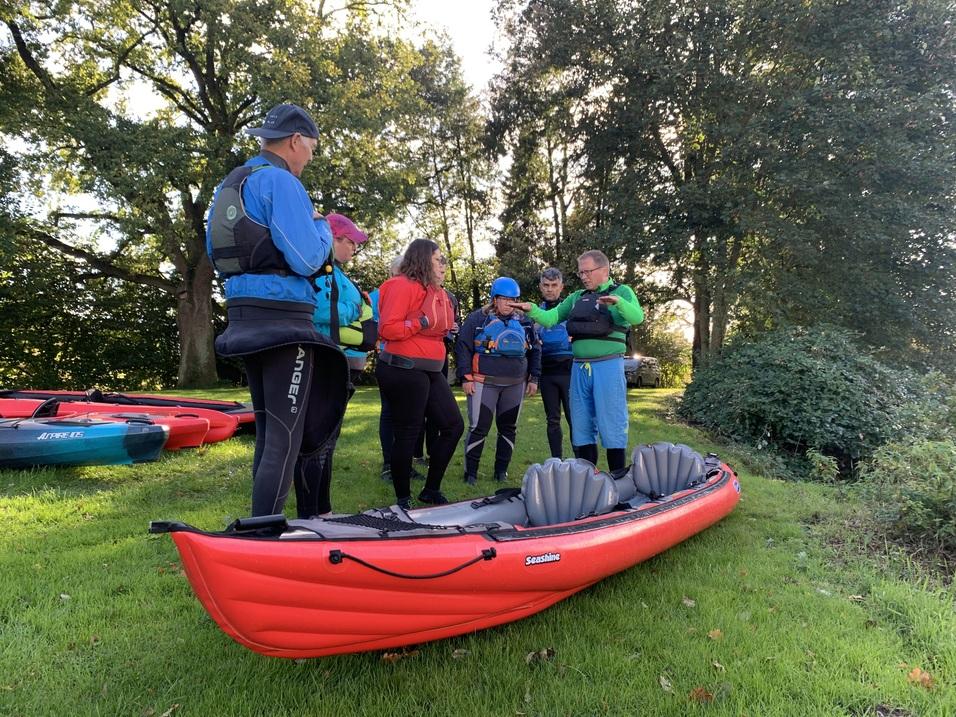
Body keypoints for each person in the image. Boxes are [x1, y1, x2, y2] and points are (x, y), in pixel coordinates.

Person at [206, 103, 349, 518]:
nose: (309, 159)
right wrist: (322, 226)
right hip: (285, 323)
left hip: (244, 316)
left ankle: (260, 526)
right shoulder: (281, 183)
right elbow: (306, 260)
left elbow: (217, 251)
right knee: (285, 439)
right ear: (295, 141)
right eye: (311, 150)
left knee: (270, 433)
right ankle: (264, 536)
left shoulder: (232, 183)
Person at [511, 250, 644, 474]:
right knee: (581, 426)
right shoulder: (576, 298)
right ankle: (588, 479)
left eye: (587, 272)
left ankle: (618, 479)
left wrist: (618, 303)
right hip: (579, 368)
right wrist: (532, 309)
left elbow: (637, 317)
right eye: (581, 272)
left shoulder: (622, 292)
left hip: (608, 367)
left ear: (604, 270)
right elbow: (551, 318)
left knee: (611, 424)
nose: (583, 276)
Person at [375, 239, 464, 509]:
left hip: (430, 369)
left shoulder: (437, 292)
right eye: (439, 260)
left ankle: (431, 490)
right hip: (402, 368)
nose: (444, 265)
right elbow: (387, 329)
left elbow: (440, 328)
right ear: (424, 259)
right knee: (409, 432)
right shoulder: (401, 286)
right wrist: (421, 322)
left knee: (452, 425)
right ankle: (403, 498)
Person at [295, 212, 373, 517]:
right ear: (332, 238)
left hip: (337, 361)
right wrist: (357, 307)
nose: (354, 247)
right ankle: (311, 514)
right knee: (316, 442)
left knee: (327, 441)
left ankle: (322, 511)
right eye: (349, 241)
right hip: (321, 359)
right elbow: (317, 309)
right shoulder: (318, 269)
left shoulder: (335, 272)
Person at [455, 277, 541, 484]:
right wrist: (465, 377)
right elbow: (463, 347)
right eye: (504, 299)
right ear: (495, 299)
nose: (509, 304)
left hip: (515, 383)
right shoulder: (477, 319)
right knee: (479, 427)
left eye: (513, 299)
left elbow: (536, 350)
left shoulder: (526, 322)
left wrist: (534, 377)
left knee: (509, 427)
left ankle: (501, 472)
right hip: (484, 382)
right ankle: (471, 474)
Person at [535, 267, 573, 458]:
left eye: (554, 285)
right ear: (541, 287)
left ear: (561, 287)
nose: (550, 289)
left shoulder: (571, 310)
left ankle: (581, 462)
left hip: (569, 371)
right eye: (546, 285)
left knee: (575, 420)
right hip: (547, 373)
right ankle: (557, 461)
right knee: (553, 420)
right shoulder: (534, 314)